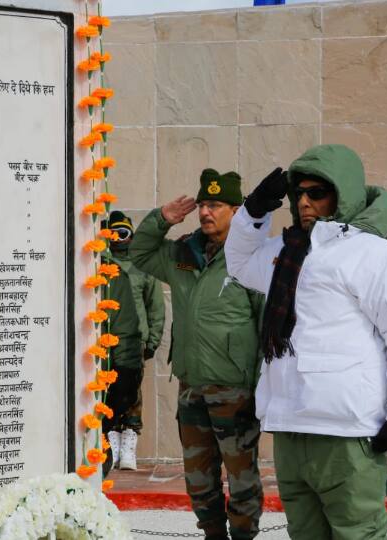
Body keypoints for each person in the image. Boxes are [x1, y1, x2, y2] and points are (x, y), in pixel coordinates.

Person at [224, 144, 387, 540]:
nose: (304, 201)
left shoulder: (371, 252)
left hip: (346, 428)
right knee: (304, 534)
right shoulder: (285, 250)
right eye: (297, 193)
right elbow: (239, 262)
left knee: (358, 533)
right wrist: (253, 211)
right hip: (289, 422)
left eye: (316, 192)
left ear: (343, 194)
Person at [130, 169, 264, 540]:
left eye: (215, 205)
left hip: (236, 391)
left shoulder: (250, 257)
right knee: (198, 476)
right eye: (203, 204)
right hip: (192, 387)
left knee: (241, 476)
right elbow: (139, 252)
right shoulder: (182, 254)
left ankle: (243, 536)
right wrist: (162, 219)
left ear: (235, 211)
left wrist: (261, 385)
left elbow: (268, 323)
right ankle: (212, 534)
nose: (206, 212)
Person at [101, 211, 165, 472]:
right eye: (114, 234)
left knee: (132, 392)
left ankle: (129, 444)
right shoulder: (100, 263)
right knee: (106, 392)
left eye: (124, 234)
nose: (119, 239)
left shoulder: (143, 266)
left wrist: (152, 340)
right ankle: (111, 441)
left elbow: (156, 307)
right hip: (105, 341)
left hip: (134, 340)